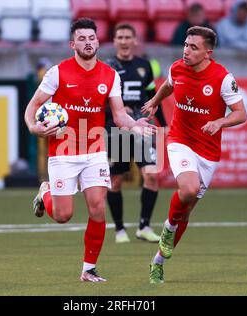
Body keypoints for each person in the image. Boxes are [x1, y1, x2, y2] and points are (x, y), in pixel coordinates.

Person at [25, 18, 156, 282]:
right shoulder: (57, 73)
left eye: (92, 38)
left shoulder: (110, 75)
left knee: (97, 207)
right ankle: (46, 191)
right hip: (63, 151)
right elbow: (33, 106)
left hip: (95, 151)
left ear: (98, 42)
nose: (88, 42)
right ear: (73, 44)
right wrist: (33, 127)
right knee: (63, 216)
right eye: (82, 39)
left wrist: (134, 124)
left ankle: (88, 268)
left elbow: (119, 116)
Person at [141, 26, 247, 284]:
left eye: (193, 47)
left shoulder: (222, 78)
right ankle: (167, 229)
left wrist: (220, 122)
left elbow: (241, 113)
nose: (186, 50)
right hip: (180, 140)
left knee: (185, 212)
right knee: (188, 189)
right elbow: (168, 86)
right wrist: (155, 101)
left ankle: (158, 262)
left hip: (208, 151)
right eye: (186, 45)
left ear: (208, 53)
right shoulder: (177, 67)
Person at [105, 23, 168, 244]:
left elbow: (154, 97)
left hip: (142, 129)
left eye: (127, 37)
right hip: (118, 131)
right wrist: (119, 112)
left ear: (134, 41)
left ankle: (144, 226)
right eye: (119, 37)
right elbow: (100, 101)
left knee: (152, 175)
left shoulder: (145, 66)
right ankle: (120, 229)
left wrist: (163, 124)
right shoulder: (107, 68)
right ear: (114, 41)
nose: (123, 41)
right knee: (115, 181)